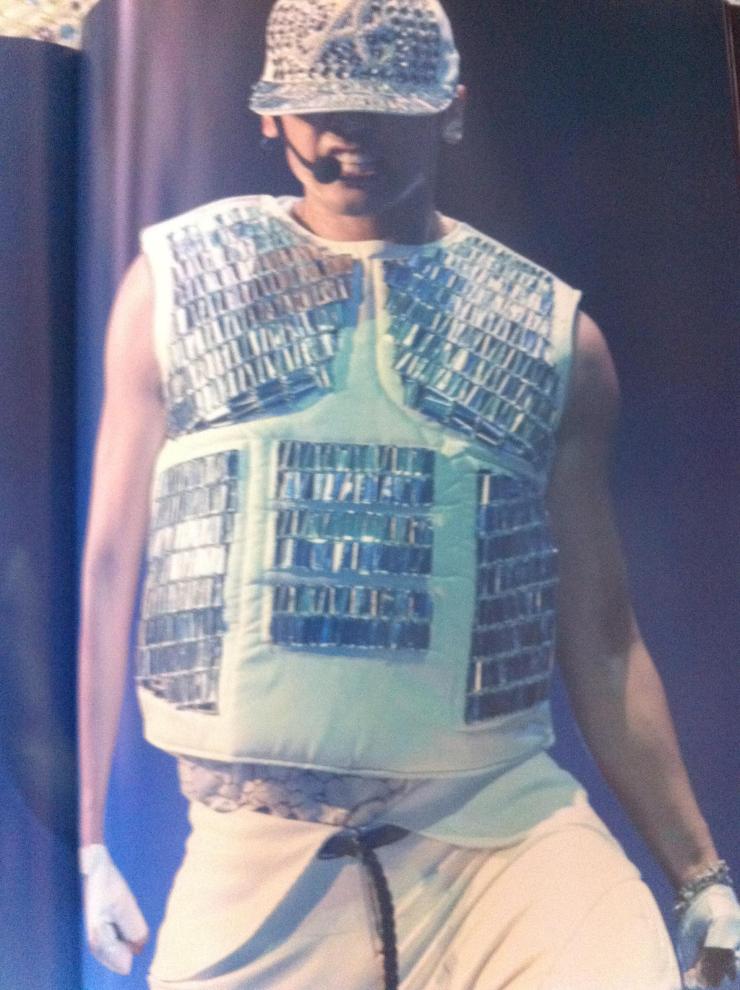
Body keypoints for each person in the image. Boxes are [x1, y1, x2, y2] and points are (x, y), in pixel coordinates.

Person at [77, 1, 740, 988]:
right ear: (270, 114)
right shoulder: (173, 289)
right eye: (322, 109)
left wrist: (700, 876)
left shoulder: (554, 339)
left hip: (500, 830)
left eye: (382, 111)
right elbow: (107, 569)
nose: (348, 138)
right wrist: (90, 840)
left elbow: (602, 636)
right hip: (256, 852)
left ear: (449, 110)